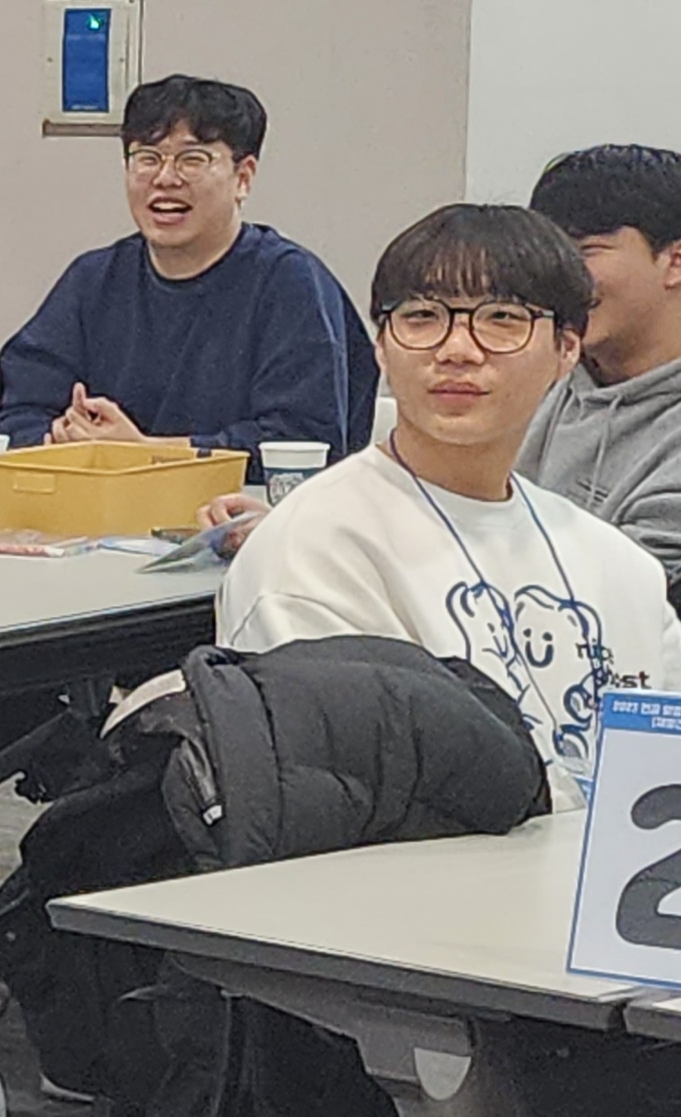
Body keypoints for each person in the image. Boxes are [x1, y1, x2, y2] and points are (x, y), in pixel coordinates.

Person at [221, 203, 680, 803]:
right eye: (421, 317)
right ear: (382, 347)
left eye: (502, 318)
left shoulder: (619, 568)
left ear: (567, 349)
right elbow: (345, 799)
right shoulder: (310, 555)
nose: (457, 349)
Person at [0, 76, 366, 471]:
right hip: (100, 504)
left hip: (244, 507)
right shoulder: (94, 280)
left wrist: (146, 452)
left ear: (243, 177)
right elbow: (16, 414)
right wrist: (63, 437)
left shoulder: (289, 283)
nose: (166, 178)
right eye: (147, 158)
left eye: (192, 159)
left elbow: (302, 443)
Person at [519, 144, 681, 603]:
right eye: (551, 255)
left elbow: (634, 591)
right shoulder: (537, 376)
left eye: (586, 251)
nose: (560, 280)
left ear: (675, 262)